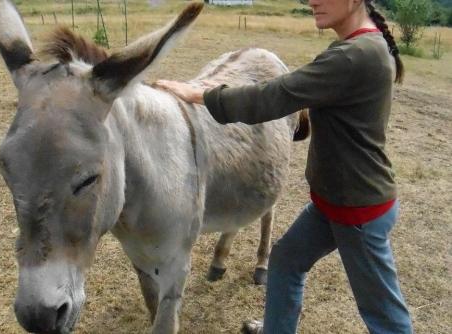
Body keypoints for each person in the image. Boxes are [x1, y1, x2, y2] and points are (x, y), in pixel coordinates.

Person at [155, 0, 413, 333]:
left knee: (384, 315)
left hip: (356, 210)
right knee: (286, 262)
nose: (312, 1)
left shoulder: (352, 57)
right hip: (334, 202)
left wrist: (200, 95)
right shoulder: (364, 45)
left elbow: (272, 96)